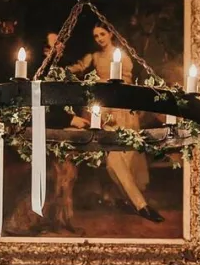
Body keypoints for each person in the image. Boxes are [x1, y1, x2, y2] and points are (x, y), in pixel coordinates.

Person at [67, 25, 162, 223]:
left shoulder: (121, 56)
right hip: (103, 111)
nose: (99, 38)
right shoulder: (93, 56)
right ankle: (139, 204)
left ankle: (126, 199)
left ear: (110, 34)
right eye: (95, 36)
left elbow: (126, 84)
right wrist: (60, 72)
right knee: (112, 161)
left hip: (122, 109)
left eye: (102, 34)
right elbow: (77, 67)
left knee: (125, 158)